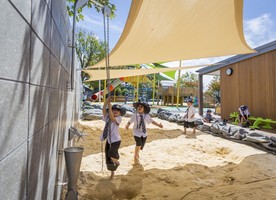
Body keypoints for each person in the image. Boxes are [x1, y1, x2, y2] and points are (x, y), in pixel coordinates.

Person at [100, 97, 126, 179]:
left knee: (111, 154)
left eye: (117, 110)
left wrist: (110, 107)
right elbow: (104, 112)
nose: (115, 111)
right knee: (108, 158)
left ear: (120, 113)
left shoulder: (119, 118)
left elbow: (112, 118)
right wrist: (105, 103)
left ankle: (117, 162)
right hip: (109, 140)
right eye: (113, 110)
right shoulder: (108, 117)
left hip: (116, 140)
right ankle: (112, 173)